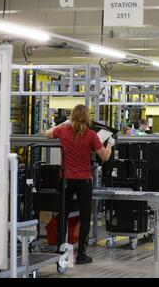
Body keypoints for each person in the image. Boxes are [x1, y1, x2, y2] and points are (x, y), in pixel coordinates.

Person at [46, 104, 113, 264]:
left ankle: (60, 249)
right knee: (84, 217)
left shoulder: (63, 131)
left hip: (66, 180)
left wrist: (65, 123)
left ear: (72, 116)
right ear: (87, 117)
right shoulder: (91, 135)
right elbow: (104, 157)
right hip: (84, 180)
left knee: (63, 213)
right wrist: (110, 144)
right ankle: (81, 254)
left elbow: (47, 134)